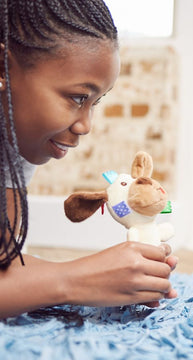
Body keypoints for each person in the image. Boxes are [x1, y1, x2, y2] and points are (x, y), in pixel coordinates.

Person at [0, 0, 177, 320]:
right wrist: (75, 280)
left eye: (95, 102)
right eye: (78, 97)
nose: (86, 126)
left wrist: (113, 276)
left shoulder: (12, 142)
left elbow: (5, 262)